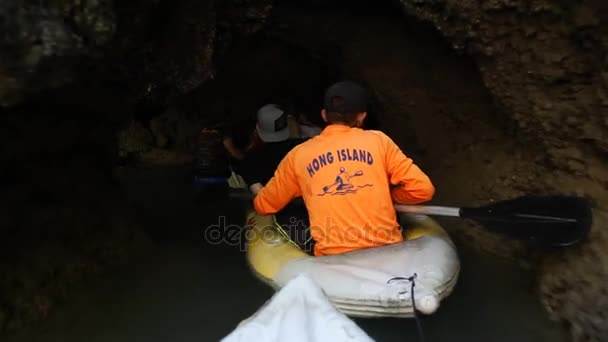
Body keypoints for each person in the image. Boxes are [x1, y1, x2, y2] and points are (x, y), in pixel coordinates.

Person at [252, 81, 435, 256]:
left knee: (294, 220)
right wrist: (391, 196)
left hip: (333, 257)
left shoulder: (298, 155)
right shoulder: (380, 142)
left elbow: (264, 206)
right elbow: (423, 190)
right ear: (362, 116)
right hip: (388, 250)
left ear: (324, 115)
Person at [239, 104, 307, 194]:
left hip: (277, 205)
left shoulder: (249, 162)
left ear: (257, 129)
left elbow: (261, 196)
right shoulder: (304, 148)